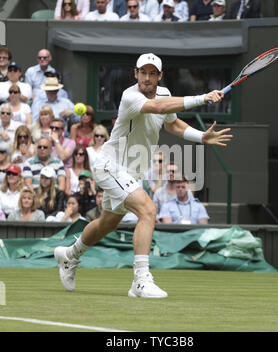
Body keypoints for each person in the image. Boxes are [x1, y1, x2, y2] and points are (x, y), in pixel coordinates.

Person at [54, 52, 232, 298]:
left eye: (152, 73)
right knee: (148, 209)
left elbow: (171, 123)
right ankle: (140, 281)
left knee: (107, 223)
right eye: (143, 72)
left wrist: (200, 136)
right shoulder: (130, 96)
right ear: (135, 73)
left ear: (160, 76)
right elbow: (157, 107)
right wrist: (202, 98)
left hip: (130, 172)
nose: (147, 78)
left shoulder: (166, 94)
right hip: (109, 166)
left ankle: (69, 255)